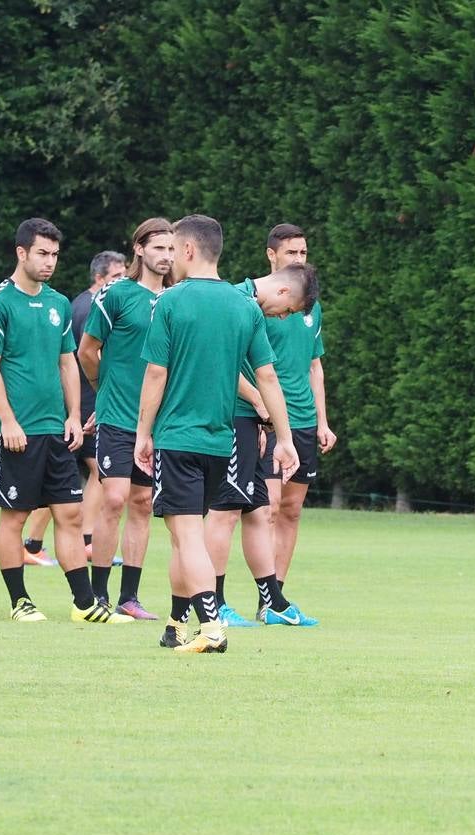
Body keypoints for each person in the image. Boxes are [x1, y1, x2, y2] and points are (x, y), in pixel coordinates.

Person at [134, 214, 298, 654]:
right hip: (221, 442)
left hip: (177, 438)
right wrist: (284, 438)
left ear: (187, 250)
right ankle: (174, 624)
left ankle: (211, 627)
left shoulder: (170, 302)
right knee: (182, 534)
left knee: (187, 534)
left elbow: (154, 373)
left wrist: (142, 433)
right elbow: (266, 376)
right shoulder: (243, 305)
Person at [0, 218, 129, 624]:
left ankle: (84, 605)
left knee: (70, 515)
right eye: (42, 254)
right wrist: (8, 420)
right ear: (21, 253)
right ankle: (19, 601)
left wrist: (75, 415)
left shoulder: (59, 303)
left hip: (54, 429)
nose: (49, 262)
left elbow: (68, 363)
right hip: (15, 433)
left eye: (55, 255)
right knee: (15, 515)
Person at [205, 262, 319, 629]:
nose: (283, 318)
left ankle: (273, 601)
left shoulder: (251, 305)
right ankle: (213, 603)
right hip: (229, 417)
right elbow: (221, 361)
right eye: (286, 310)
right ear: (283, 292)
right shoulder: (236, 300)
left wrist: (267, 423)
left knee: (256, 509)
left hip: (249, 420)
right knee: (224, 511)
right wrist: (257, 401)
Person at [79, 221, 174, 620]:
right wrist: (104, 392)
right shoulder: (116, 295)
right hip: (117, 416)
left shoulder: (177, 299)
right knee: (114, 499)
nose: (166, 256)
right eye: (159, 248)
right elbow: (87, 350)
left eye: (172, 248)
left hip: (156, 422)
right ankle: (97, 595)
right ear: (139, 249)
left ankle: (128, 597)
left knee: (141, 503)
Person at [246, 223, 336, 623]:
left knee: (293, 510)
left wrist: (323, 421)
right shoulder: (256, 301)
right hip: (265, 417)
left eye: (303, 252)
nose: (299, 259)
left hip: (302, 421)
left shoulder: (309, 305)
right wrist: (261, 409)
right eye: (292, 253)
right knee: (267, 508)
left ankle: (276, 599)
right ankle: (264, 595)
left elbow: (315, 366)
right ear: (272, 256)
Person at [22, 250, 125, 567]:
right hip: (86, 403)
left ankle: (34, 542)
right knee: (98, 472)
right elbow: (84, 356)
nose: (122, 283)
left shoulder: (77, 303)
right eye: (117, 277)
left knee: (64, 479)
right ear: (99, 278)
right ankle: (85, 538)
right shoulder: (92, 307)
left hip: (75, 405)